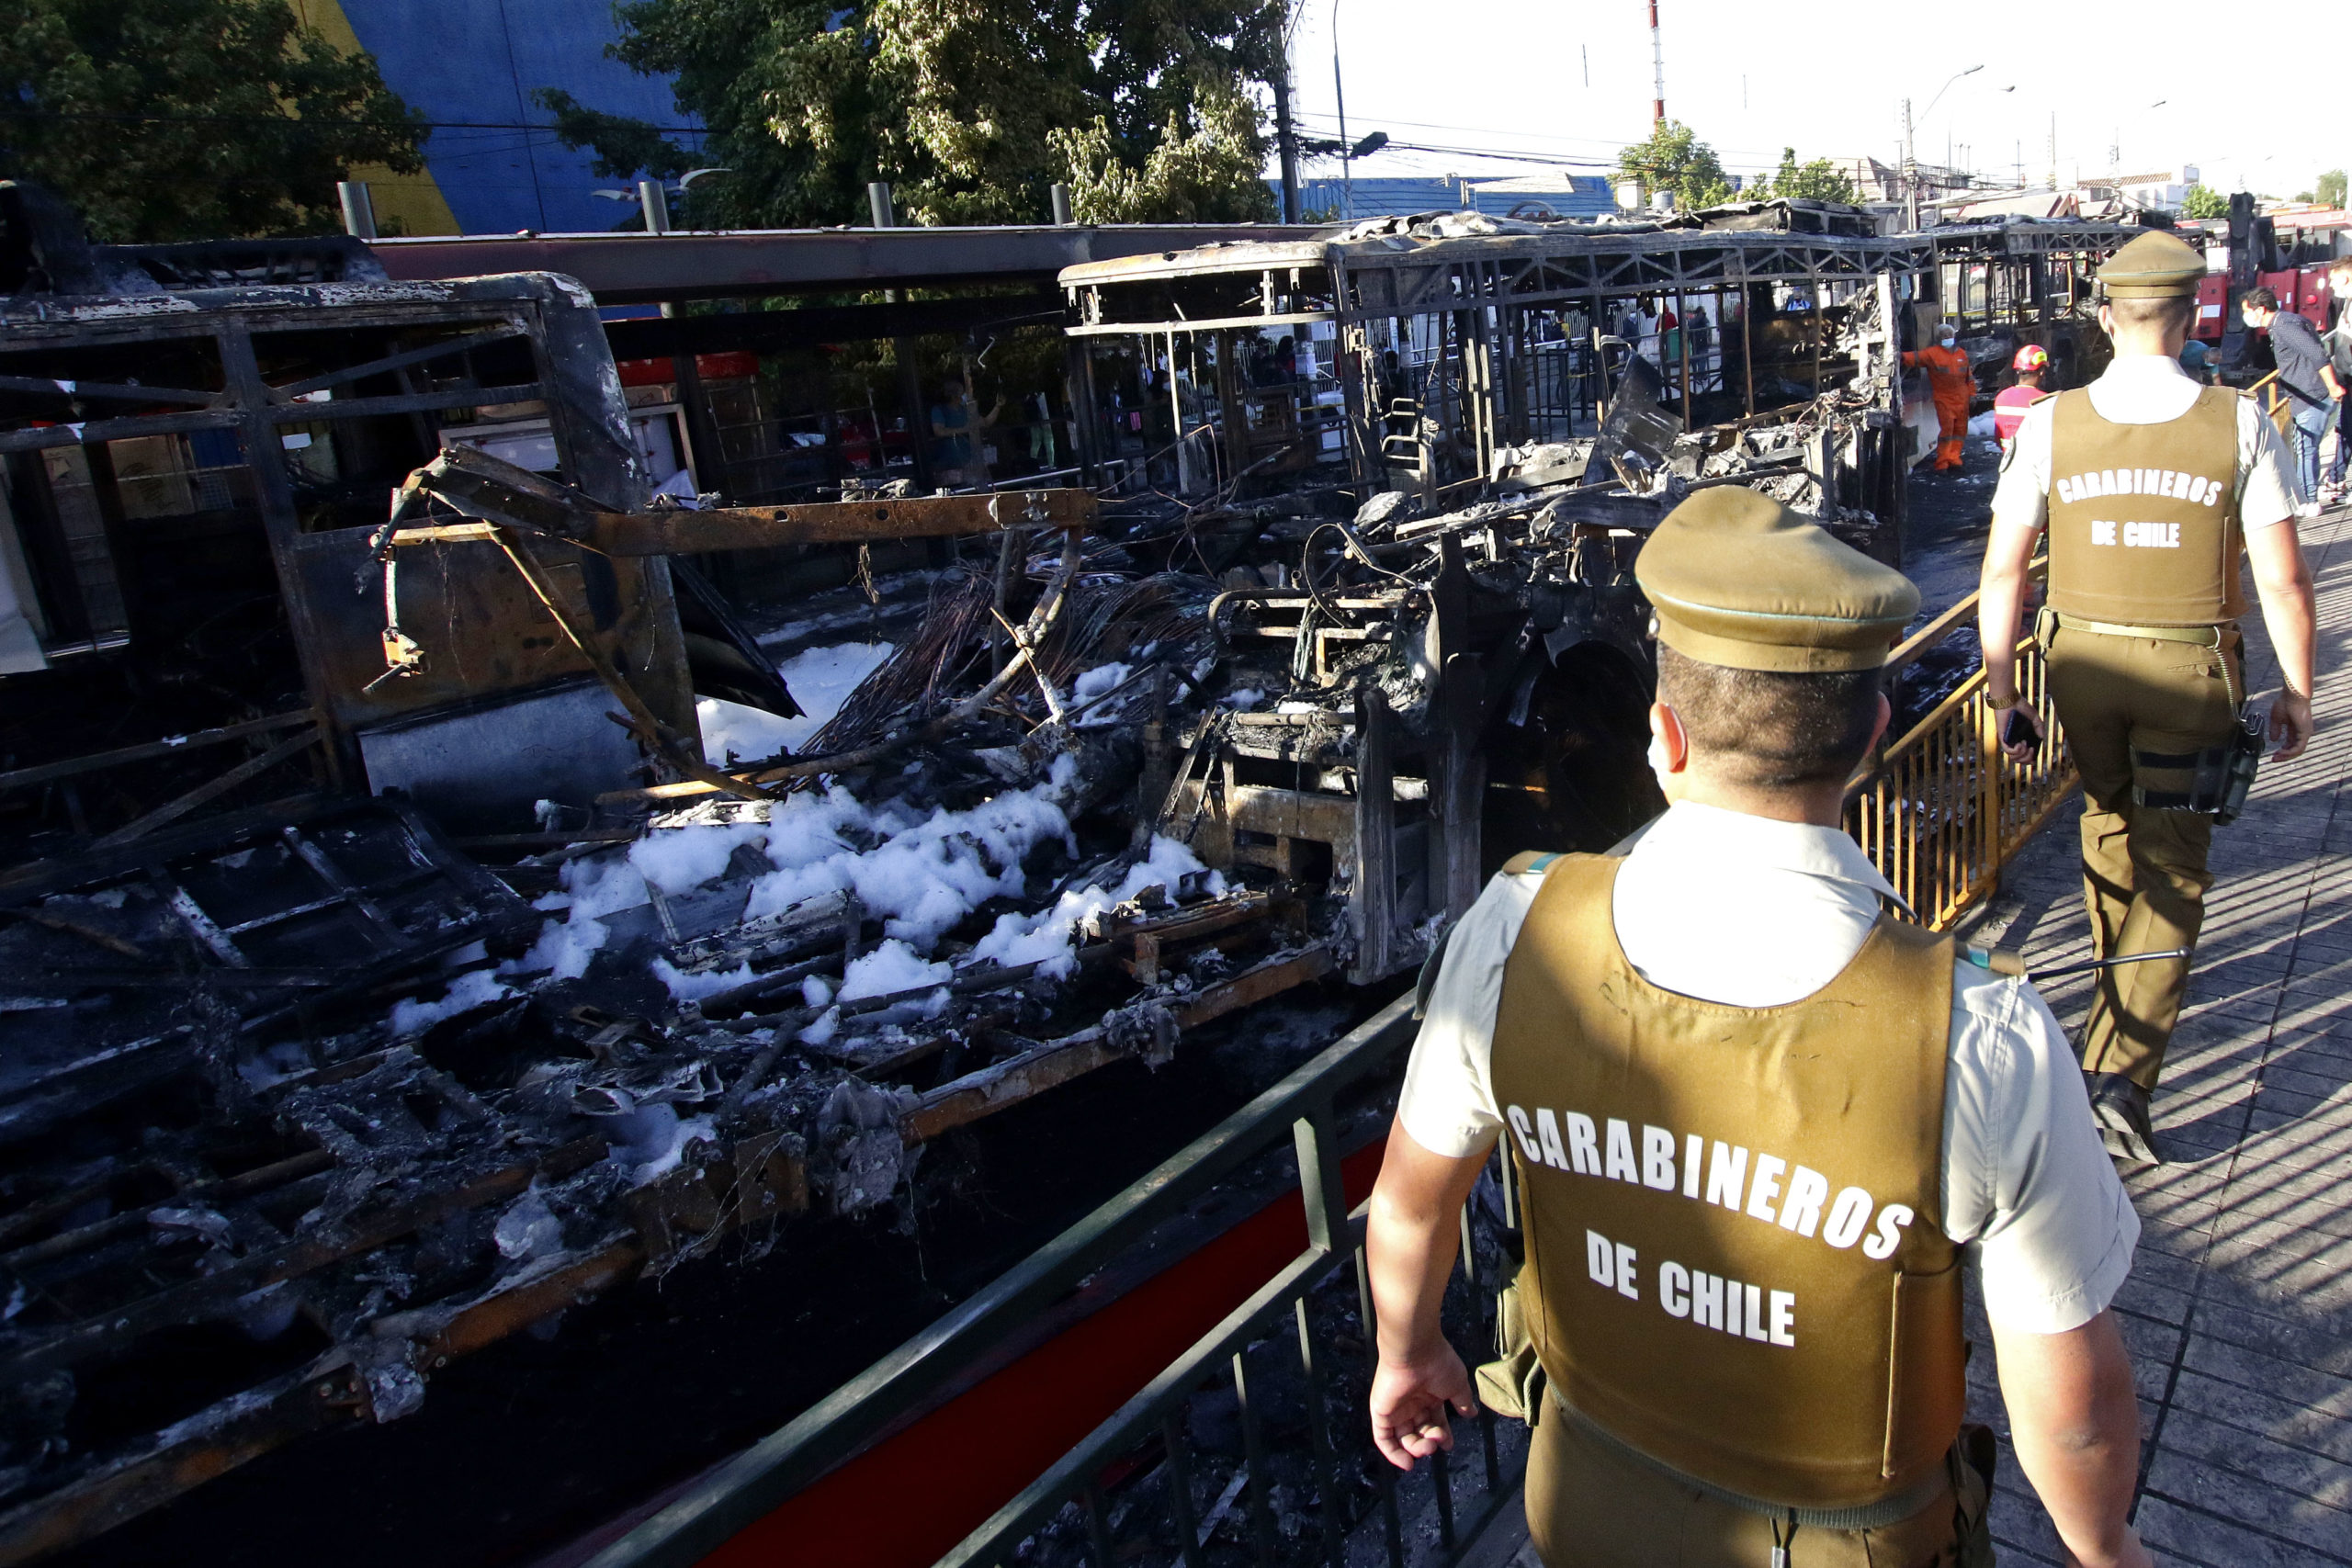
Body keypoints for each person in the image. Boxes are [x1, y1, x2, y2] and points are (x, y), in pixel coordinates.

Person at [1369, 486, 2152, 1568]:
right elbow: (2071, 1410)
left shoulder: (1514, 931)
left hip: (1586, 1506)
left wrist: (1405, 1352)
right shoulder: (1978, 1032)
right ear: (1874, 736)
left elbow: (1411, 1205)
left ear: (1663, 736)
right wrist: (2105, 1547)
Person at [1982, 230, 2315, 1164]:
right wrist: (2297, 689)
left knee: (2106, 825)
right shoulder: (2236, 422)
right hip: (2188, 673)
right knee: (2174, 868)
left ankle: (2108, 1018)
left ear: (2105, 316)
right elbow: (2282, 578)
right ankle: (2122, 1078)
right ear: (2192, 314)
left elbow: (2003, 570)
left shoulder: (2049, 423)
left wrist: (2003, 692)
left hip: (2080, 667)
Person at [2240, 285, 2341, 513]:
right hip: (2308, 393)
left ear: (2260, 309)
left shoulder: (2284, 326)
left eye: (2247, 311)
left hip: (2310, 395)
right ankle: (2307, 496)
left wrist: (2332, 385)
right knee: (2305, 447)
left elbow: (2316, 353)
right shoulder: (2288, 320)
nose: (2246, 317)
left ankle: (2308, 501)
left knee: (2305, 449)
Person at [1903, 320, 1974, 471]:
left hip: (1962, 398)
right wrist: (1899, 356)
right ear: (1939, 337)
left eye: (1949, 334)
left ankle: (1954, 458)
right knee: (1947, 430)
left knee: (1960, 431)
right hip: (1944, 398)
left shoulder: (1961, 354)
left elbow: (1969, 377)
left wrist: (1972, 394)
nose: (1947, 337)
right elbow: (1914, 357)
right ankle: (1942, 462)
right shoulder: (1932, 354)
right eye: (1944, 335)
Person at [2325, 258, 2352, 503]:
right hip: (2347, 379)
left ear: (2345, 278)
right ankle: (2335, 478)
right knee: (2345, 428)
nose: (2331, 285)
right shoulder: (2347, 304)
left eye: (2333, 280)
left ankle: (2335, 478)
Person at [1994, 344, 2054, 450]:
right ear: (2041, 372)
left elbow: (1998, 438)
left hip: (2008, 458)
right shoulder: (2045, 401)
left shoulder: (2001, 398)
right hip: (2034, 459)